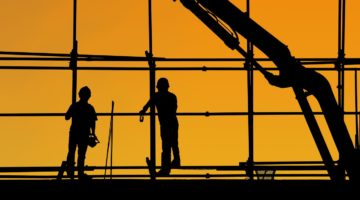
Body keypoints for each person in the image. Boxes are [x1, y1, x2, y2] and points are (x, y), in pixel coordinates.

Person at [140, 78, 181, 176]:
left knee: (167, 145)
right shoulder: (171, 96)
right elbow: (173, 109)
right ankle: (174, 162)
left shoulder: (157, 96)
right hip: (171, 122)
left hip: (167, 124)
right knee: (173, 143)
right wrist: (144, 110)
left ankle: (167, 168)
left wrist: (143, 111)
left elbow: (148, 104)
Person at [65, 86, 98, 180]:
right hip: (84, 133)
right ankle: (80, 173)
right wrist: (93, 133)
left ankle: (71, 171)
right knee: (81, 154)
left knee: (72, 151)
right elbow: (93, 122)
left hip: (75, 132)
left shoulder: (75, 106)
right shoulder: (90, 108)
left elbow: (67, 117)